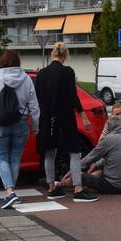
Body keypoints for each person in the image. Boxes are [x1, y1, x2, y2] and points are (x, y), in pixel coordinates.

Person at [35, 42, 95, 202]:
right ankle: (78, 189)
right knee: (74, 152)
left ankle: (52, 188)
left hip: (47, 119)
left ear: (53, 54)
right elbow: (73, 96)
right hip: (65, 118)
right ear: (65, 55)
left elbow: (37, 98)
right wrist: (83, 115)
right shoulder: (67, 72)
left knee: (49, 153)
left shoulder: (41, 74)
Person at [0, 50, 39, 209]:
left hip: (0, 123)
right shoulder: (27, 80)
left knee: (1, 157)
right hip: (21, 121)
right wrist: (35, 126)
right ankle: (11, 192)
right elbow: (34, 106)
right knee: (15, 158)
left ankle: (10, 192)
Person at [78, 116, 121, 195]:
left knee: (79, 176)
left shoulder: (108, 139)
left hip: (115, 186)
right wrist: (97, 165)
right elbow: (116, 158)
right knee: (98, 171)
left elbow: (90, 158)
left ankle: (61, 184)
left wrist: (73, 170)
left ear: (109, 130)